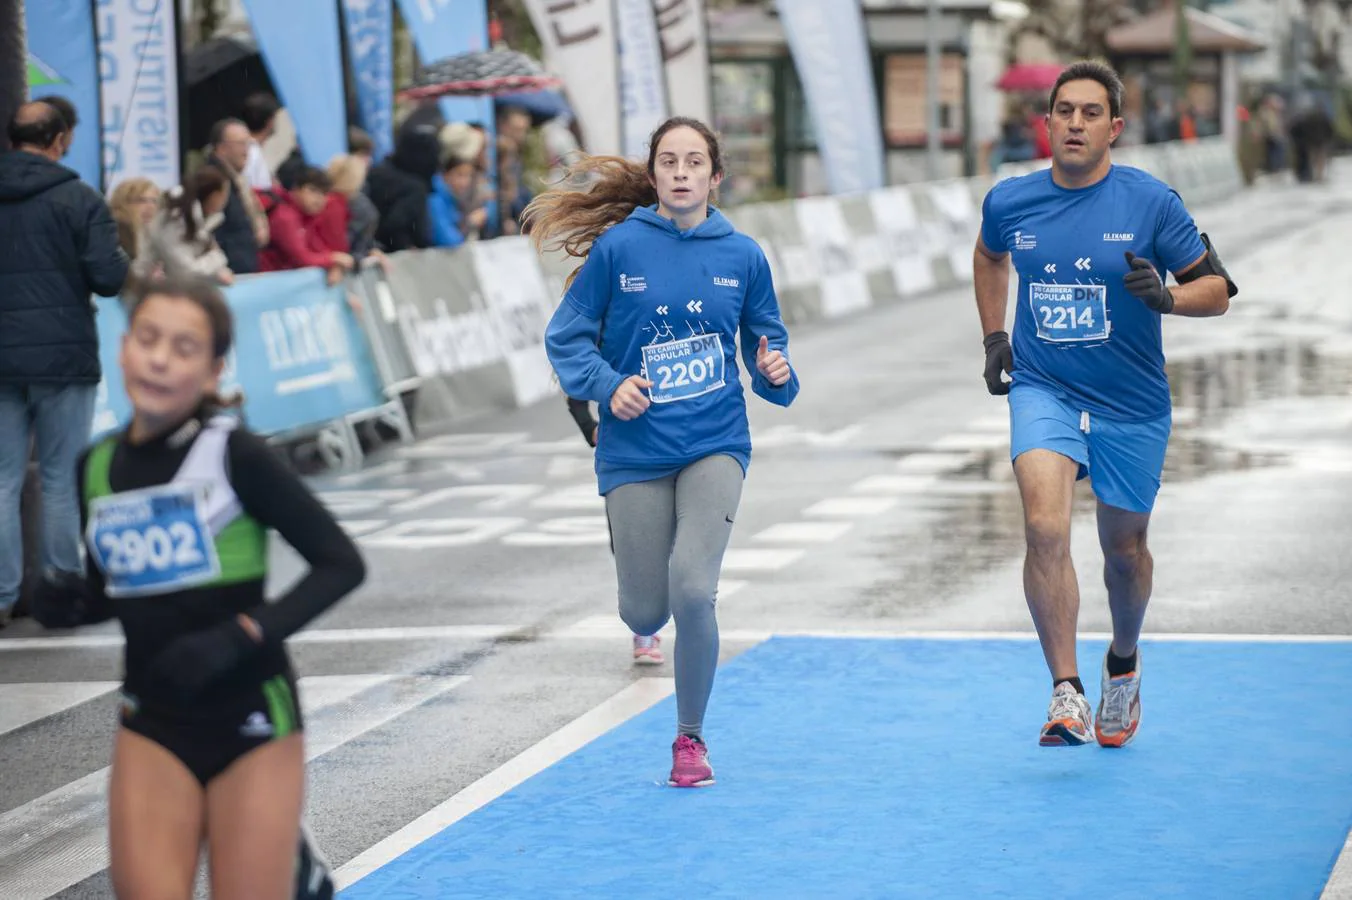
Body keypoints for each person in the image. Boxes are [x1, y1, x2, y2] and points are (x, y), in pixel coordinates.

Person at [30, 273, 365, 898]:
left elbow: (341, 564)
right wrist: (73, 603)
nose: (159, 359)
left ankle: (296, 867)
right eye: (148, 339)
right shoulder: (96, 466)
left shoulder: (236, 454)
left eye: (184, 349)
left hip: (251, 714)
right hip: (151, 717)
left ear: (212, 372)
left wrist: (240, 636)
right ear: (123, 347)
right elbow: (117, 588)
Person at [973, 61, 1237, 748]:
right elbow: (988, 256)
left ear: (1114, 128)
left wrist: (1169, 298)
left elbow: (1218, 289)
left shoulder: (1151, 203)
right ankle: (1067, 691)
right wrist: (996, 336)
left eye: (1091, 113)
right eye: (1065, 111)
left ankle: (1123, 658)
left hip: (1130, 399)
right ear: (1048, 120)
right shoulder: (1011, 202)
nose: (1075, 124)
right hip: (1044, 386)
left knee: (1124, 549)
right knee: (1044, 526)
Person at [531, 116, 799, 787]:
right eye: (670, 162)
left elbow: (771, 351)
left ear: (715, 175)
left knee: (693, 588)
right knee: (645, 610)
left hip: (715, 441)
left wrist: (776, 371)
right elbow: (566, 339)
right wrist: (607, 386)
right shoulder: (620, 250)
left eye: (695, 161)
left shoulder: (743, 255)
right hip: (634, 449)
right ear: (654, 176)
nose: (682, 172)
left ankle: (690, 740)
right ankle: (633, 556)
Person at [0, 101, 130, 627]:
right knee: (58, 478)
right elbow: (109, 278)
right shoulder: (80, 198)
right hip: (62, 354)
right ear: (58, 140)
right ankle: (59, 589)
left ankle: (2, 595)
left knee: (1, 479)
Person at [563, 395, 665, 665]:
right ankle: (646, 629)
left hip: (681, 444)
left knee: (679, 545)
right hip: (623, 455)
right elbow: (574, 376)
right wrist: (589, 427)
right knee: (629, 545)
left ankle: (688, 624)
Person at [134, 166, 235, 287]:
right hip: (149, 291)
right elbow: (185, 272)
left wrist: (219, 271)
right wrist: (217, 257)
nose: (225, 201)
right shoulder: (174, 220)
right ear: (214, 196)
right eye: (224, 195)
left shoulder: (198, 220)